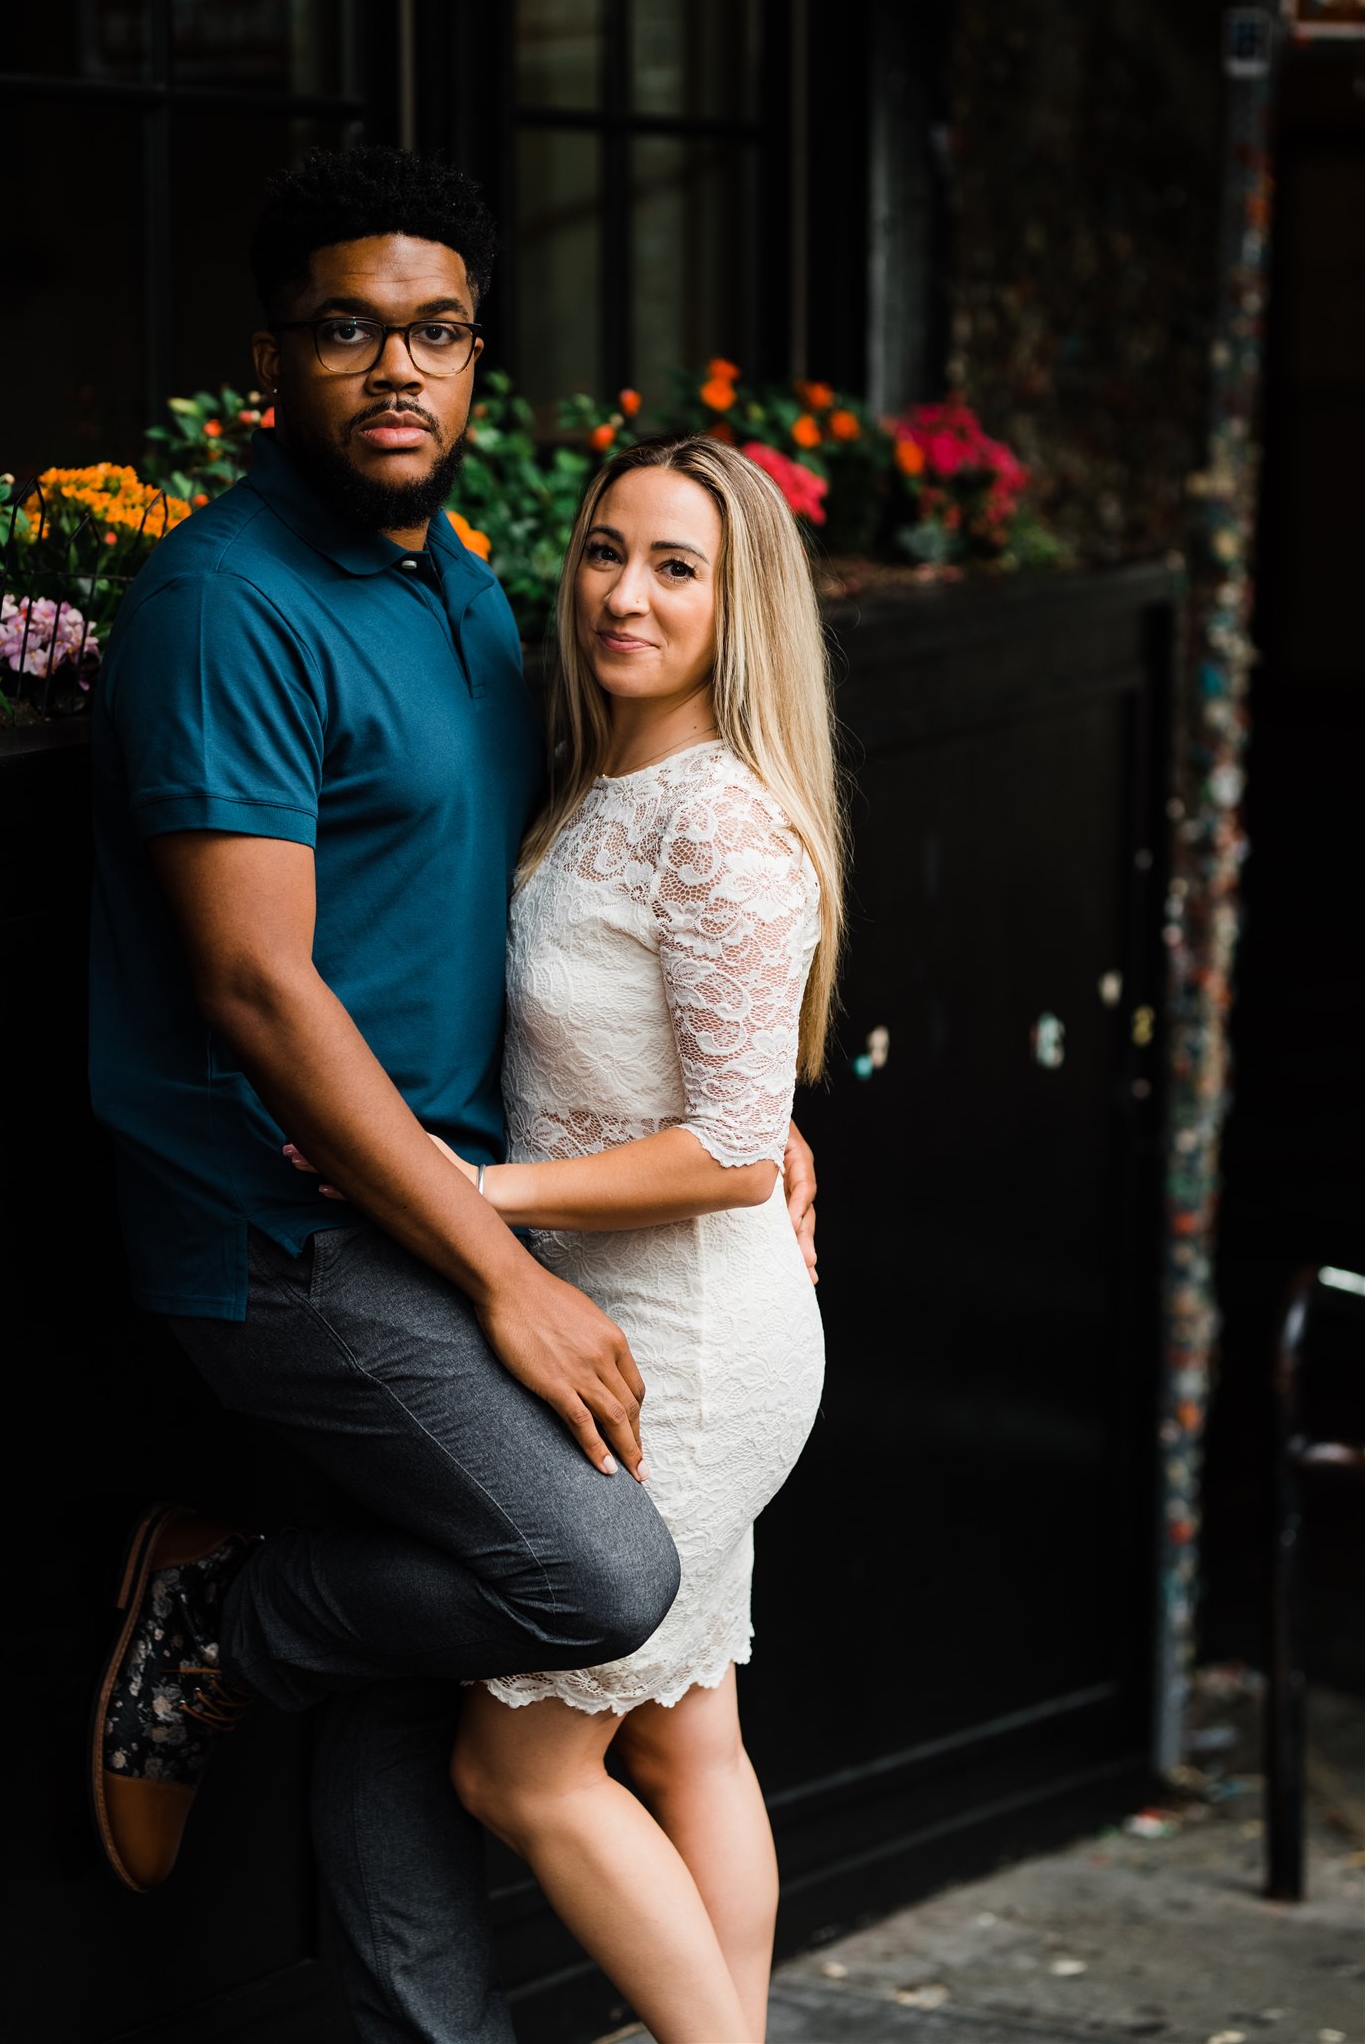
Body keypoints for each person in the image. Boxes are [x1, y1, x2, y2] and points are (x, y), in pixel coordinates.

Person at [87, 145, 817, 2044]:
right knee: (587, 1572)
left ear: (480, 363)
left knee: (436, 1686)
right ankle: (229, 1614)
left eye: (438, 333)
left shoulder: (474, 593)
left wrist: (754, 1121)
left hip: (451, 1199)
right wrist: (499, 1269)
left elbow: (584, 907)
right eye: (349, 330)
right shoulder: (224, 604)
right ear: (272, 360)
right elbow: (255, 982)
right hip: (293, 1229)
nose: (398, 370)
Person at [442, 435, 842, 2042]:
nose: (624, 592)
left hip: (679, 1347)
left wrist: (477, 1194)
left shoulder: (723, 827)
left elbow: (740, 1155)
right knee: (684, 1739)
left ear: (740, 605)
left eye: (678, 567)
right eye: (607, 550)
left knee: (513, 1766)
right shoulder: (598, 776)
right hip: (629, 1322)